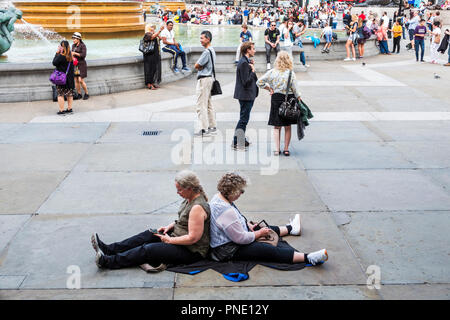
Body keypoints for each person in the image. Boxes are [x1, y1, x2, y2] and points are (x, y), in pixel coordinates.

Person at [92, 170, 211, 270]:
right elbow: (186, 220)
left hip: (191, 251)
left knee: (149, 250)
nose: (177, 192)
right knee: (149, 234)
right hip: (177, 236)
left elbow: (192, 238)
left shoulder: (197, 207)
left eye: (179, 190)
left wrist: (169, 240)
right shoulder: (189, 197)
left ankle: (107, 261)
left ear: (189, 188)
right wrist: (171, 225)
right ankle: (109, 249)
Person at [209, 172, 328, 266]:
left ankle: (291, 228)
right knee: (265, 250)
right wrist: (258, 233)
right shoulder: (226, 211)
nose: (242, 193)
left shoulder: (218, 198)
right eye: (241, 191)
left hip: (228, 240)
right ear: (232, 192)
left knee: (260, 227)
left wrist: (248, 226)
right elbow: (241, 239)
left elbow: (232, 224)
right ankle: (308, 258)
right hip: (226, 250)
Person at [256, 51, 300, 156]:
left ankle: (276, 149)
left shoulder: (272, 72)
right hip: (289, 99)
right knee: (287, 126)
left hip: (276, 98)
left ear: (277, 60)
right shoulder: (291, 73)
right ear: (289, 60)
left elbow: (259, 82)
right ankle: (286, 149)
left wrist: (269, 88)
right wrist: (299, 98)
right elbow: (296, 90)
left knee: (277, 126)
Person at [232, 41, 258, 151]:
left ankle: (240, 139)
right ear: (248, 50)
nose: (254, 50)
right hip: (245, 95)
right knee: (243, 119)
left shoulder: (246, 61)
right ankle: (237, 141)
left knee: (244, 118)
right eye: (253, 48)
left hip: (247, 95)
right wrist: (252, 70)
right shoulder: (243, 63)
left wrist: (251, 67)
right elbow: (246, 81)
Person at [194, 30, 217, 137]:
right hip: (210, 79)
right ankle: (212, 126)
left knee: (201, 105)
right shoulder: (212, 50)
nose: (200, 40)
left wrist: (199, 66)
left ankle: (204, 128)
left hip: (204, 79)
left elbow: (196, 65)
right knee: (208, 104)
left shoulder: (206, 52)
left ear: (208, 39)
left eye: (202, 38)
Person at [52, 40, 75, 115]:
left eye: (60, 46)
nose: (59, 47)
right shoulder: (70, 56)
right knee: (69, 94)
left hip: (61, 79)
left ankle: (61, 110)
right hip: (70, 79)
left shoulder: (61, 56)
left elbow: (54, 63)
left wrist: (57, 52)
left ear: (63, 47)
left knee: (60, 94)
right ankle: (69, 108)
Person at [142, 24, 163, 90]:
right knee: (149, 70)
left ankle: (152, 83)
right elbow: (152, 38)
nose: (153, 28)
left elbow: (160, 38)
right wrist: (159, 30)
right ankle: (149, 84)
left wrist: (157, 33)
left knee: (154, 69)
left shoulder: (153, 34)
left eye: (153, 27)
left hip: (154, 54)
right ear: (148, 28)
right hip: (149, 55)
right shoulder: (147, 34)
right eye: (151, 27)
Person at [71, 32, 89, 100]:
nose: (73, 40)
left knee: (80, 80)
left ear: (78, 39)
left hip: (81, 65)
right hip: (75, 65)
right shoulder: (73, 45)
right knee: (76, 80)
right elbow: (72, 54)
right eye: (73, 38)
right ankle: (79, 94)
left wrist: (75, 53)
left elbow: (83, 55)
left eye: (75, 38)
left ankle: (86, 93)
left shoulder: (83, 45)